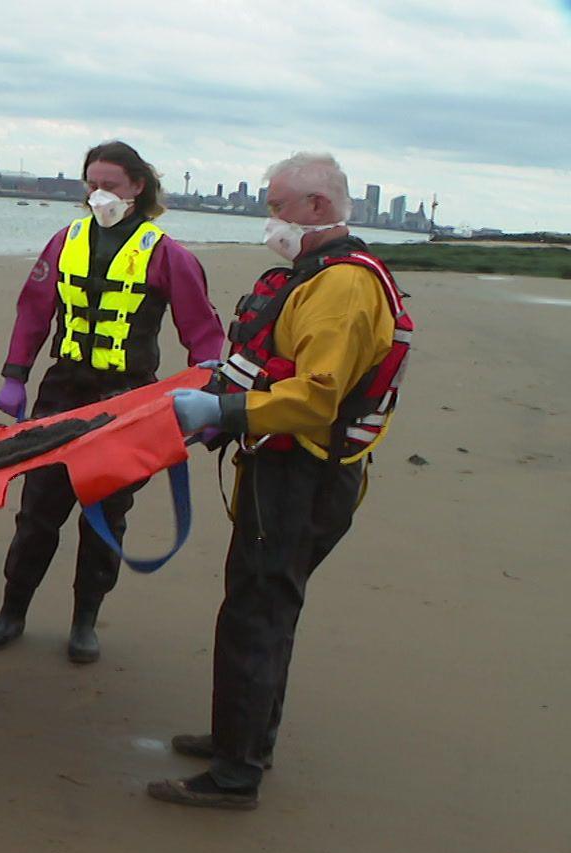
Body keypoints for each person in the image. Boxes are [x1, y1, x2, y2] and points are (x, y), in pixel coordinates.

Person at [149, 152, 411, 810]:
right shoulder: (315, 278)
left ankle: (236, 774)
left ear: (317, 209)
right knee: (263, 606)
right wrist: (225, 413)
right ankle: (241, 737)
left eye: (276, 206)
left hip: (302, 476)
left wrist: (226, 411)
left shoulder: (344, 289)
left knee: (257, 614)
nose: (270, 220)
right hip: (283, 468)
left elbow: (317, 396)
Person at [0, 141, 227, 663]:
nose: (100, 193)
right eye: (92, 183)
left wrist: (211, 398)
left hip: (127, 399)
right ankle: (12, 612)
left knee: (106, 515)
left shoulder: (168, 254)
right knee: (38, 512)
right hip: (61, 394)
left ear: (138, 187)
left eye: (111, 184)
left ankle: (85, 621)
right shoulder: (62, 242)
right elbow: (33, 312)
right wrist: (14, 376)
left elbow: (202, 332)